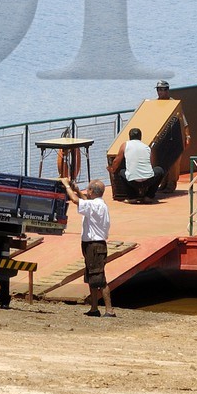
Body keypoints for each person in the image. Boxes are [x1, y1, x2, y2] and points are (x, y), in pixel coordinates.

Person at [61, 176, 116, 317]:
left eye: (88, 189)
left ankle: (109, 309)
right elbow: (84, 201)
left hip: (95, 245)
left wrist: (66, 185)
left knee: (99, 277)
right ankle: (94, 308)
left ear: (91, 191)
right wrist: (78, 191)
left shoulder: (96, 205)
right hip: (91, 245)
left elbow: (75, 201)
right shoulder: (97, 204)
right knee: (91, 276)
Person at [119, 127, 164, 203]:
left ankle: (132, 197)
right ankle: (149, 196)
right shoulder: (147, 147)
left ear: (129, 137)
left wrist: (112, 169)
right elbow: (152, 164)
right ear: (140, 137)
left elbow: (117, 161)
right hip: (148, 181)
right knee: (160, 170)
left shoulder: (125, 145)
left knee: (121, 172)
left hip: (133, 181)